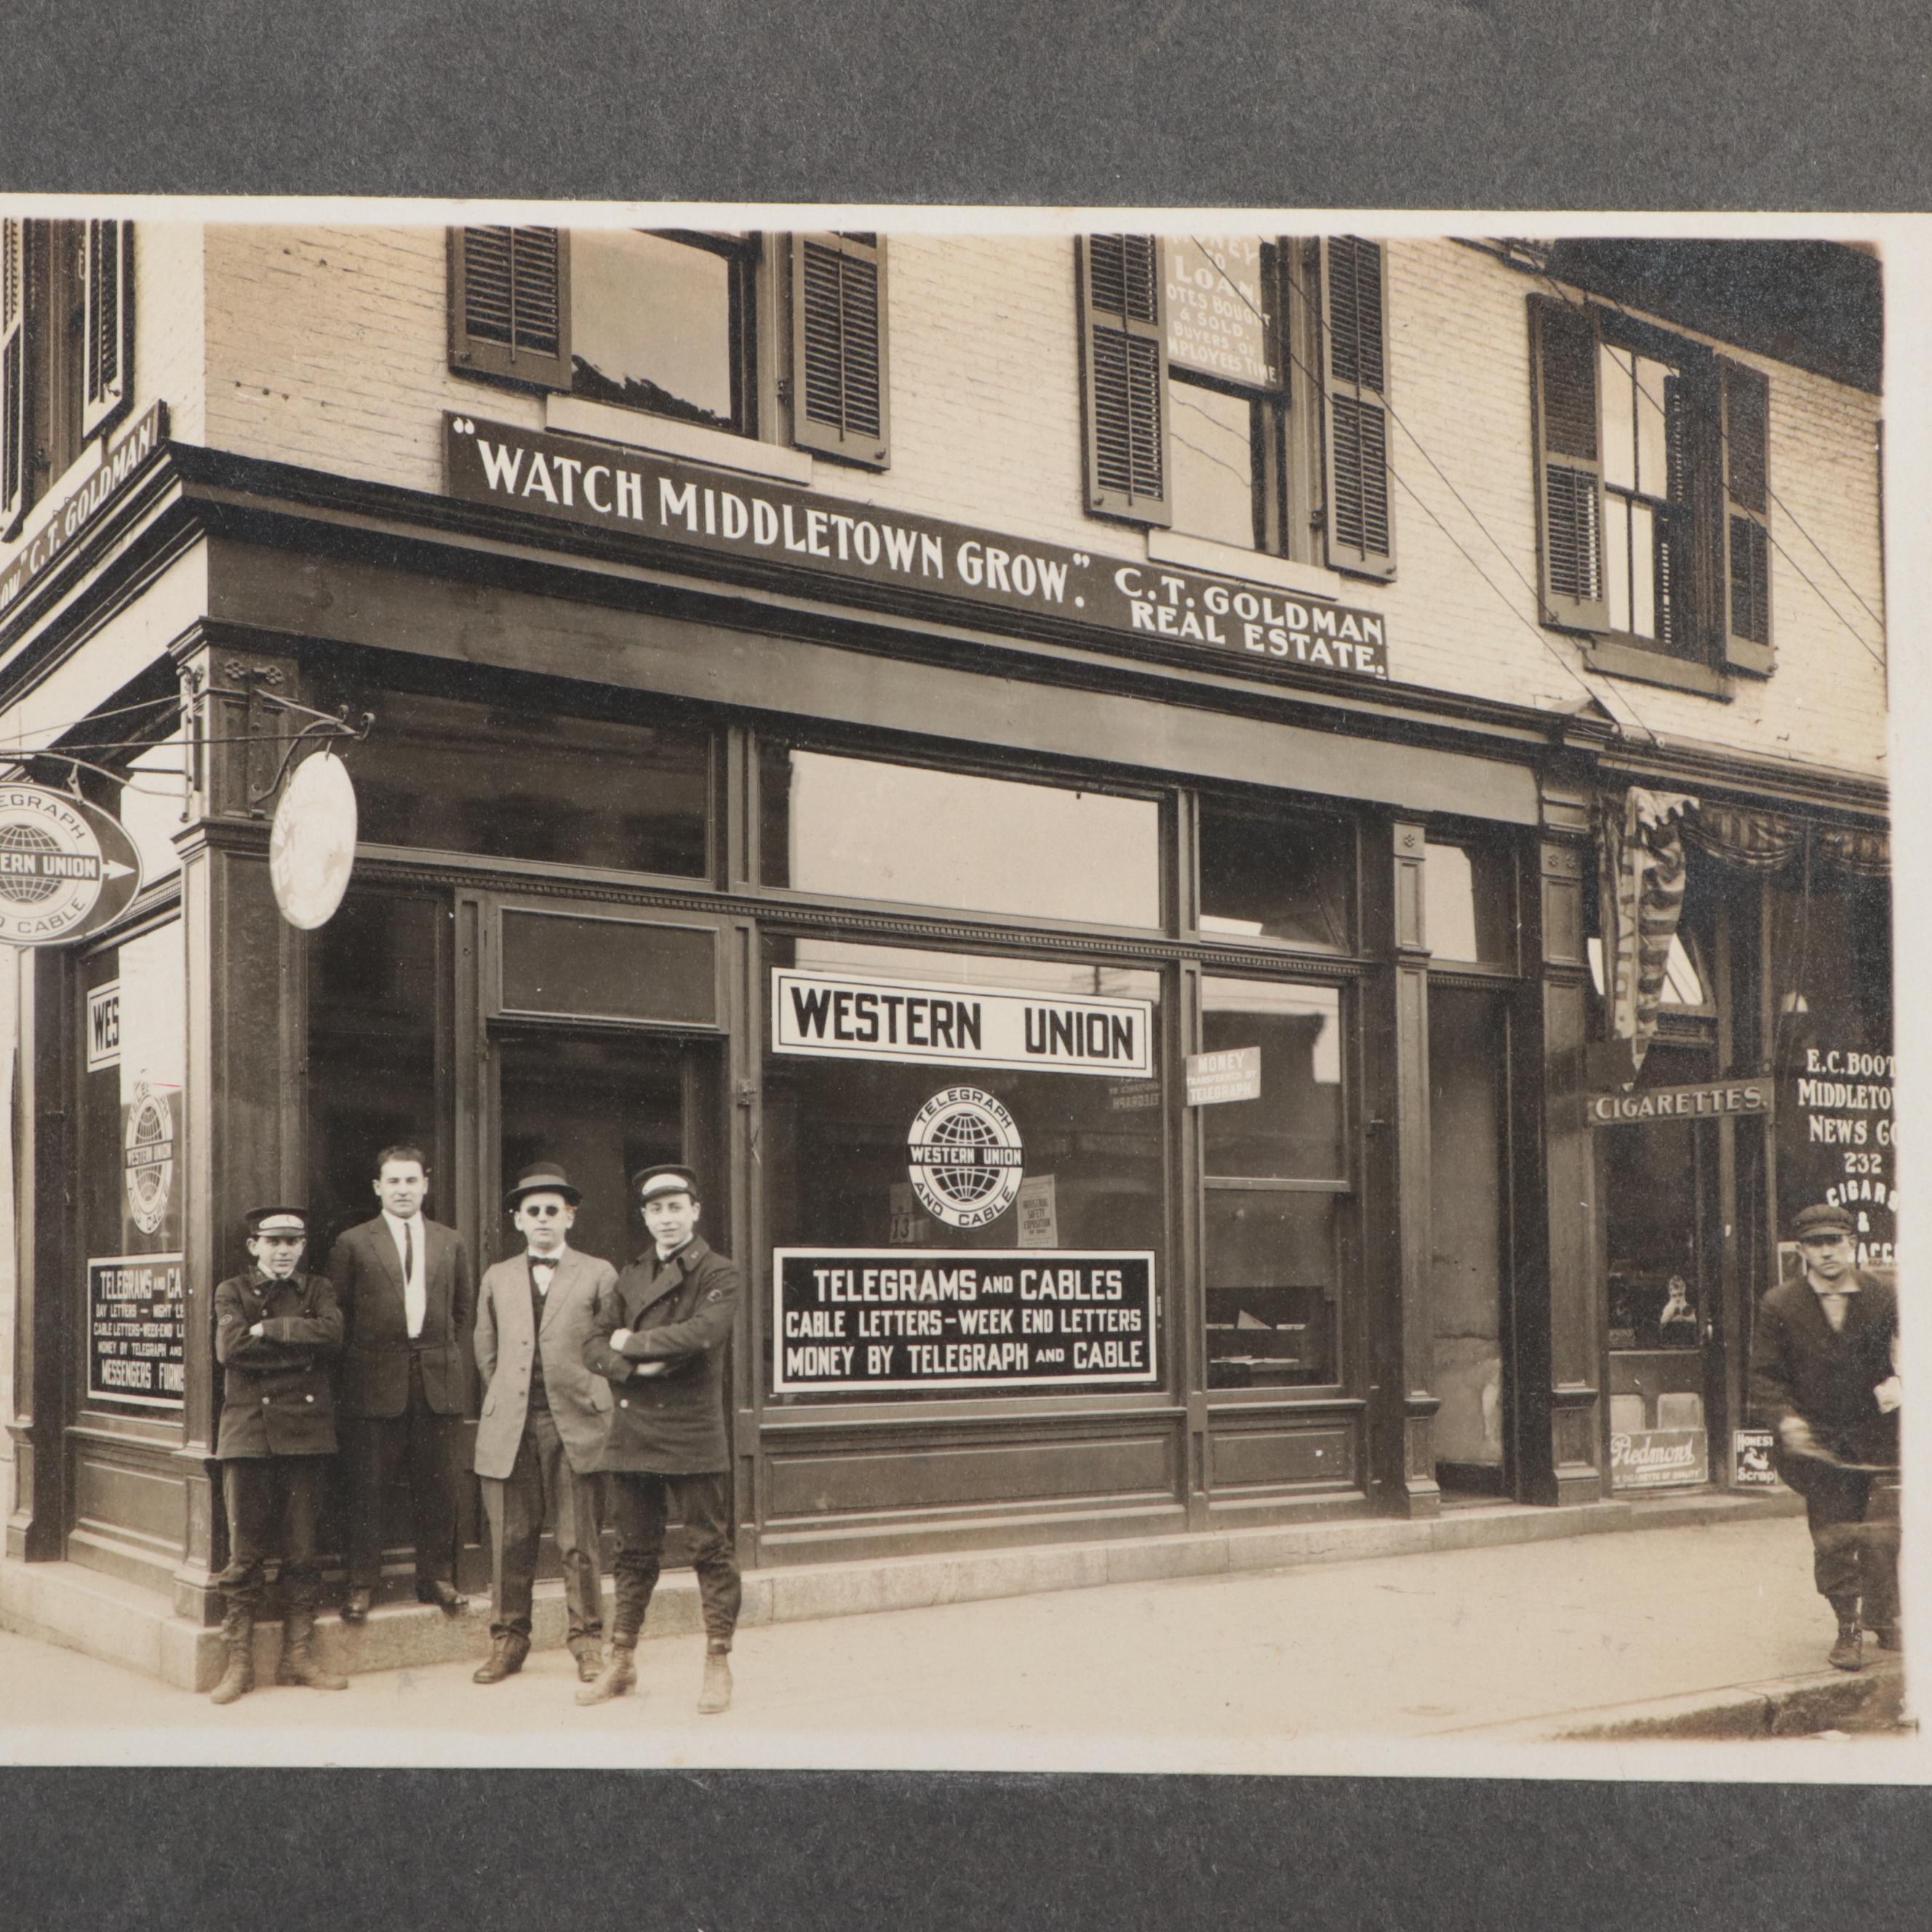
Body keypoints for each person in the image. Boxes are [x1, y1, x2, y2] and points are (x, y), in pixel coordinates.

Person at [578, 1163, 741, 1715]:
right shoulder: (631, 1276)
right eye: (656, 1209)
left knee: (710, 1549)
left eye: (676, 1207)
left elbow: (702, 1335)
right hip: (637, 1429)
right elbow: (593, 1345)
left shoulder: (720, 1273)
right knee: (632, 1552)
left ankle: (718, 1663)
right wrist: (631, 1369)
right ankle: (621, 1661)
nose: (667, 1219)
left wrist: (631, 1342)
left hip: (693, 1430)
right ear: (645, 1217)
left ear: (695, 1211)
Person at [471, 1164, 618, 1686]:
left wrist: (589, 1395)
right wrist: (508, 1398)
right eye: (532, 1212)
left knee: (579, 1543)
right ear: (518, 1220)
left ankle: (587, 1644)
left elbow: (609, 1347)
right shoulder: (498, 1277)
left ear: (570, 1217)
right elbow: (485, 1351)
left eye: (552, 1211)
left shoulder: (599, 1273)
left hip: (575, 1423)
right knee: (510, 1539)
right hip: (512, 1424)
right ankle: (508, 1643)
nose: (542, 1220)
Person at [1748, 1201, 1902, 1672]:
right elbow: (1765, 1377)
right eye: (1817, 1244)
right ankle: (1847, 1627)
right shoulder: (1781, 1304)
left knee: (1883, 1536)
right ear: (1802, 1252)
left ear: (1851, 1244)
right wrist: (1787, 1421)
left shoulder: (1883, 1296)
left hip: (1879, 1438)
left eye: (1835, 1241)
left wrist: (1904, 1380)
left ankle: (1883, 1615)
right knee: (1834, 1536)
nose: (1828, 1252)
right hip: (1819, 1444)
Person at [327, 1144, 475, 1624]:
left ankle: (436, 1578)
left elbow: (461, 1313)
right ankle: (362, 1583)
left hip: (437, 1380)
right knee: (368, 1486)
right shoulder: (353, 1242)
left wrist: (436, 1356)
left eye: (412, 1181)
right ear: (378, 1187)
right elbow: (339, 1316)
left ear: (425, 1184)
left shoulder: (451, 1241)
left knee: (438, 1484)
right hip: (374, 1383)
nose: (404, 1190)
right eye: (394, 1181)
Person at [209, 1208, 347, 1704]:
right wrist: (295, 1340)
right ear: (254, 1246)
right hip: (248, 1431)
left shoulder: (319, 1289)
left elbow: (332, 1336)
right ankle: (239, 1664)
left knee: (302, 1550)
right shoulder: (231, 1290)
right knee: (244, 1556)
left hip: (307, 1434)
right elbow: (231, 1349)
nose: (284, 1250)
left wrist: (268, 1332)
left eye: (294, 1241)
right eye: (274, 1242)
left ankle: (298, 1657)